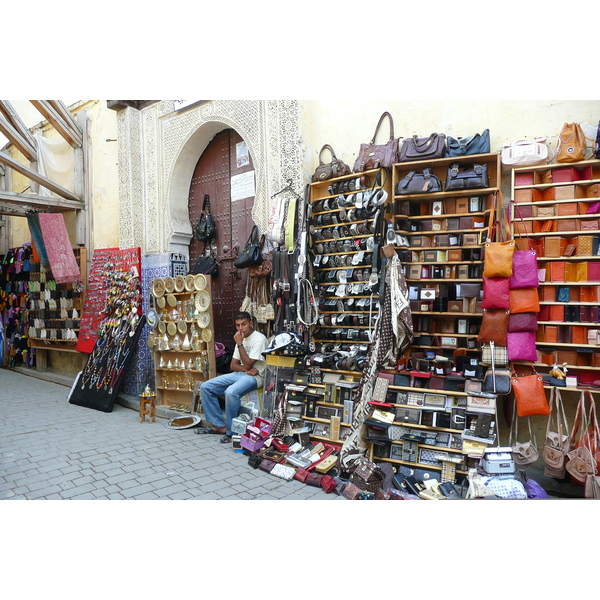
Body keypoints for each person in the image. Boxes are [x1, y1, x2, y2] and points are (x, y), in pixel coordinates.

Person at [195, 311, 268, 443]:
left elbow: (247, 363)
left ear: (251, 324)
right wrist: (246, 369)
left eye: (244, 324)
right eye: (238, 325)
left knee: (231, 392)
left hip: (256, 377)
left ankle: (232, 431)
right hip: (242, 373)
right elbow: (233, 365)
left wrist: (240, 344)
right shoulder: (240, 338)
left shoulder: (259, 339)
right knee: (206, 387)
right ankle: (218, 426)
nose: (241, 328)